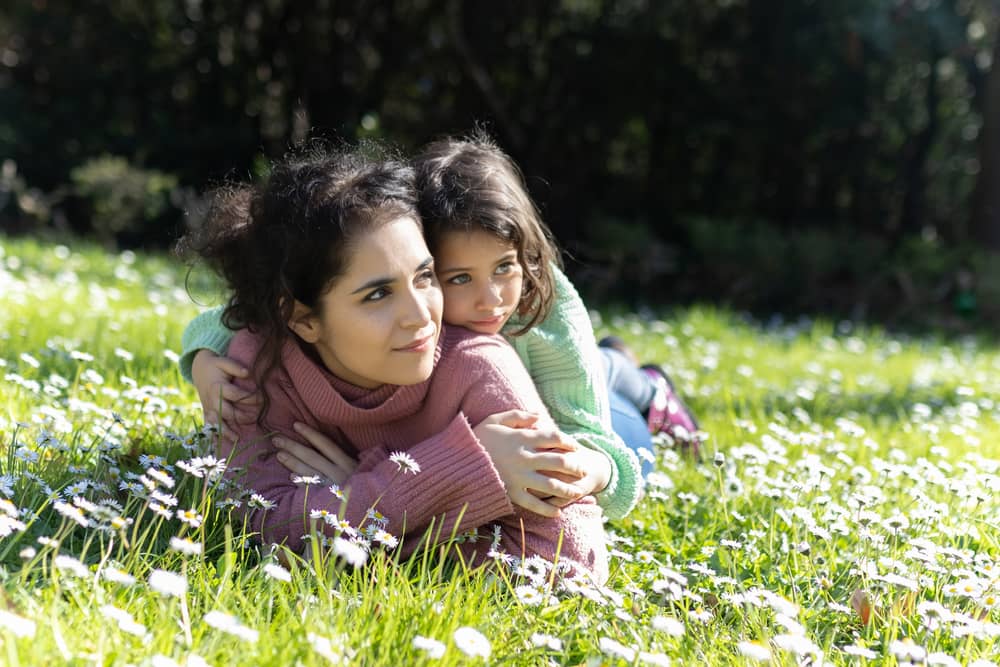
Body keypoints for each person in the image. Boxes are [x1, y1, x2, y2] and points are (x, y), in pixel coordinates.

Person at [177, 144, 608, 580]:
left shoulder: (481, 366)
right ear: (302, 319)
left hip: (601, 420)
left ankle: (644, 383)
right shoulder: (254, 372)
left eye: (425, 277)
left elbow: (571, 559)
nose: (422, 317)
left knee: (620, 388)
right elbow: (256, 524)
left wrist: (351, 509)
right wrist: (458, 472)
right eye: (378, 294)